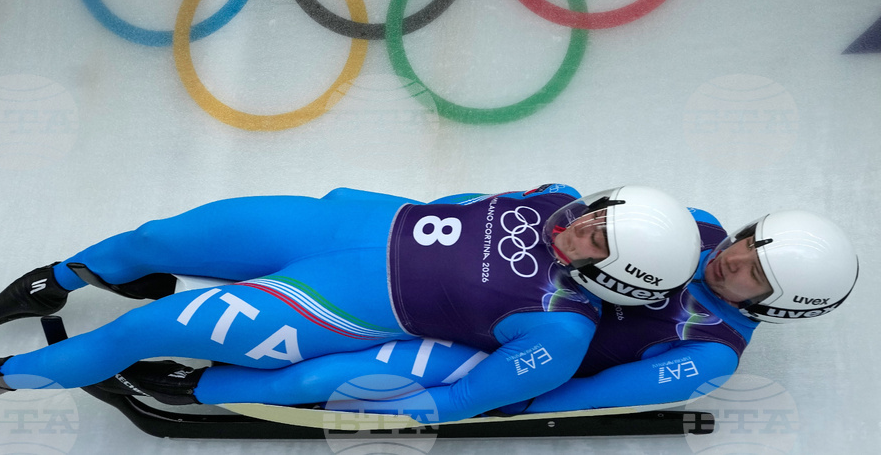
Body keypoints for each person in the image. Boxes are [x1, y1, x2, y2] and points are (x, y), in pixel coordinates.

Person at [0, 184, 701, 423]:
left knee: (149, 328)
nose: (579, 227)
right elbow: (452, 203)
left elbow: (456, 401)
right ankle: (69, 274)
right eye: (596, 214)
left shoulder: (558, 333)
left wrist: (269, 391)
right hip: (340, 225)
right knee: (165, 235)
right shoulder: (555, 197)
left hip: (331, 302)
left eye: (596, 241)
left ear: (617, 282)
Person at [103, 207, 857, 419]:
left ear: (781, 307)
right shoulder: (688, 225)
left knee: (333, 377)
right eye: (751, 242)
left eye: (756, 271)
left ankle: (201, 390)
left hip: (505, 355)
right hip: (477, 294)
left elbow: (563, 396)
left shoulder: (712, 355)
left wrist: (466, 403)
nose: (733, 259)